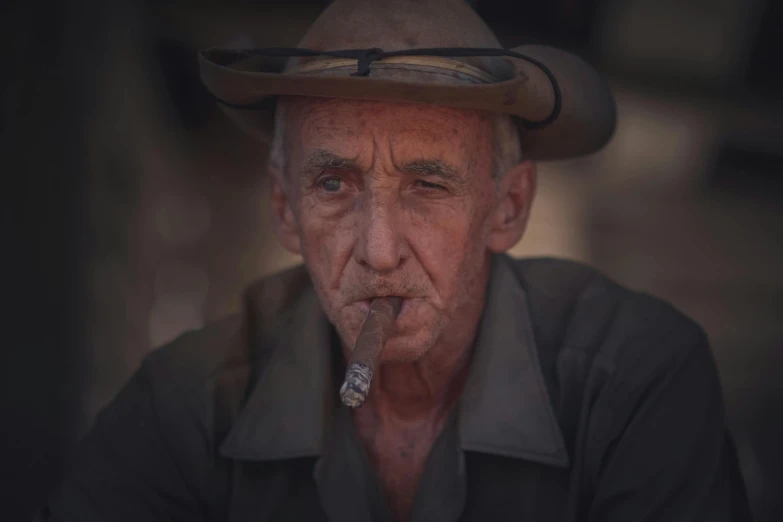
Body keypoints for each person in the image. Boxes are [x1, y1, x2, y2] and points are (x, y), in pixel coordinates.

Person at [42, 1, 752, 521]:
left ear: (506, 207)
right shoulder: (188, 399)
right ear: (285, 208)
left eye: (427, 185)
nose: (378, 252)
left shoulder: (634, 378)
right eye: (332, 184)